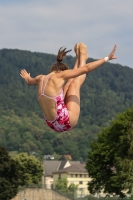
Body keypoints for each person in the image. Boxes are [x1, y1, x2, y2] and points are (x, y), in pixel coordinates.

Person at [20, 43, 117, 132]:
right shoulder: (60, 76)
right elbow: (86, 69)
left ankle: (78, 59)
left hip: (52, 123)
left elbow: (29, 81)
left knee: (68, 84)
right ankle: (82, 58)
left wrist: (27, 77)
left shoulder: (40, 78)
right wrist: (107, 58)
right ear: (62, 71)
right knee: (75, 83)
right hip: (65, 122)